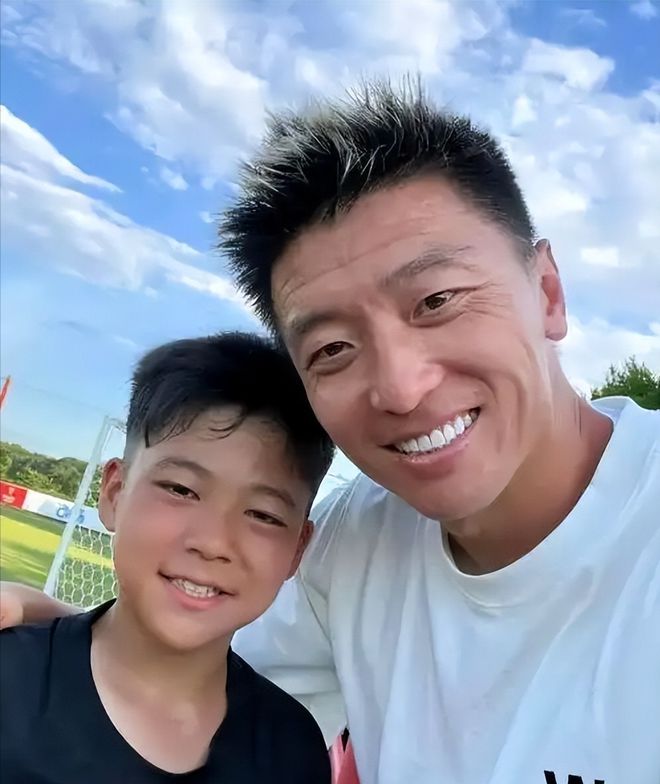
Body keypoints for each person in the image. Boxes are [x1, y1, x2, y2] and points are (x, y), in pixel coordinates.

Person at [2, 80, 659, 784]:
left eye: (437, 300)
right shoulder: (356, 542)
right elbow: (180, 681)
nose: (400, 387)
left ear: (548, 292)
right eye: (332, 349)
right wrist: (52, 640)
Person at [0, 332, 333, 784]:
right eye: (181, 489)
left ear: (297, 549)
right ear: (114, 492)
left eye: (263, 514)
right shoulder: (12, 679)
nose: (212, 542)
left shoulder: (292, 750)